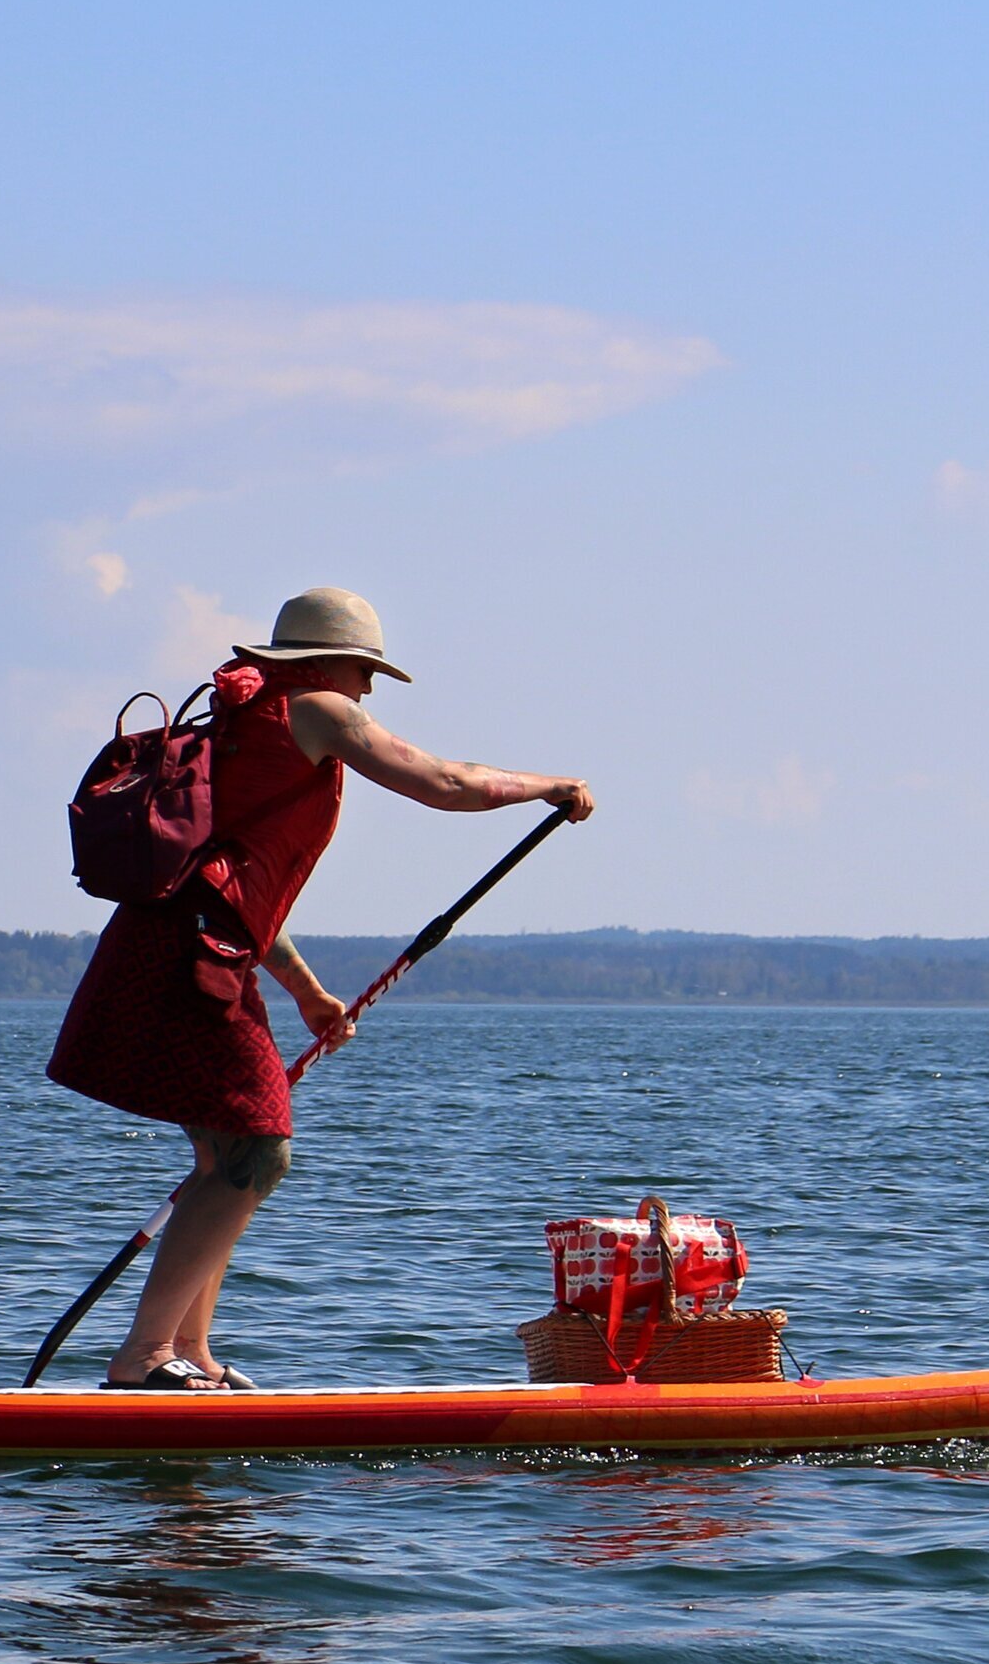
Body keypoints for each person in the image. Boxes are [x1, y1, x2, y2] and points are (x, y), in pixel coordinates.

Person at [47, 587, 596, 1390]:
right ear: (324, 663)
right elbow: (445, 781)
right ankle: (144, 1356)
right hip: (186, 960)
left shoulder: (246, 721)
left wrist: (304, 992)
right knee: (258, 1150)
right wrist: (550, 786)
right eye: (364, 669)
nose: (369, 687)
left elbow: (232, 886)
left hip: (186, 948)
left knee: (228, 1156)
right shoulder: (314, 709)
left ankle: (189, 1354)